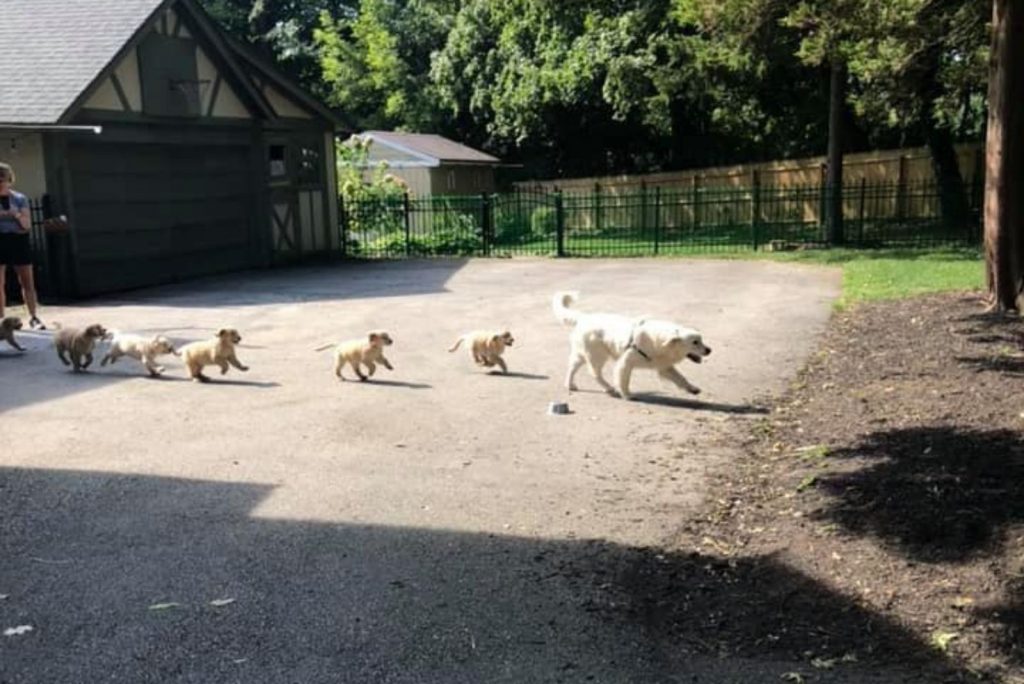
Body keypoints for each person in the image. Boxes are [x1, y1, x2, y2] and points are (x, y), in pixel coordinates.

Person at [0, 162, 43, 329]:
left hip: (18, 240)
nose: (1, 182)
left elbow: (26, 224)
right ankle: (2, 321)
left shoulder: (19, 198)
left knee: (27, 281)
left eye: (3, 178)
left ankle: (34, 317)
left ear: (9, 179)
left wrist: (14, 213)